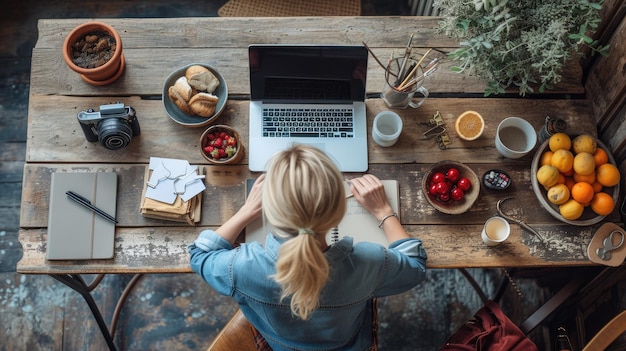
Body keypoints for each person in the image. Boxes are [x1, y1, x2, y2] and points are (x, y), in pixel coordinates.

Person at [189, 144, 427, 351]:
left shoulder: (240, 267)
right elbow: (415, 266)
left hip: (277, 345)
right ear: (338, 211)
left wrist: (245, 212)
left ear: (270, 211)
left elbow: (200, 254)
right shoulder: (371, 263)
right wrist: (384, 211)